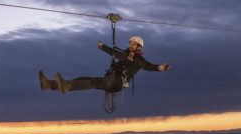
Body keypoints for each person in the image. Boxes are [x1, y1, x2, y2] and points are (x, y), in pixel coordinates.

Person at [39, 37, 170, 94]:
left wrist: (160, 67)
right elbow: (118, 55)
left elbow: (149, 66)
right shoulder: (126, 54)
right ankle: (50, 85)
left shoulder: (137, 59)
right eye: (130, 43)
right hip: (114, 80)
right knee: (85, 79)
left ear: (139, 47)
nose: (130, 45)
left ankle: (65, 85)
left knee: (92, 82)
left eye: (133, 44)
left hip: (116, 81)